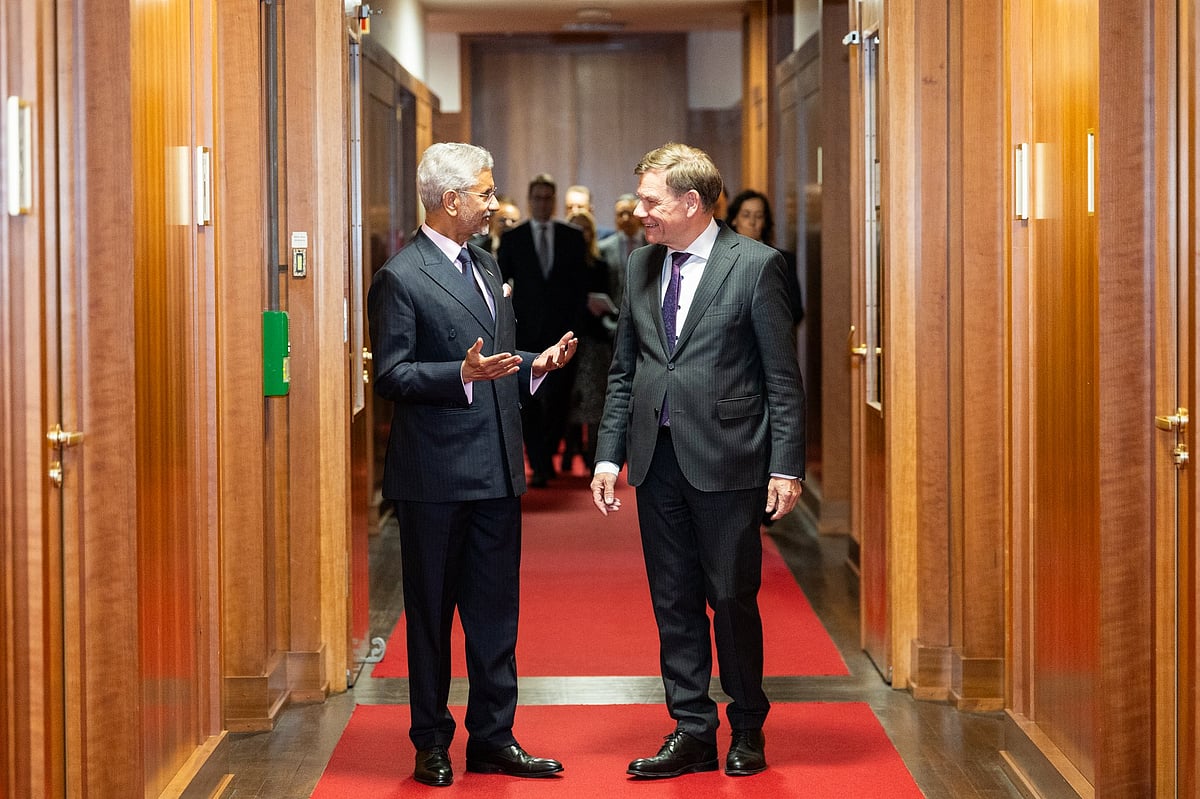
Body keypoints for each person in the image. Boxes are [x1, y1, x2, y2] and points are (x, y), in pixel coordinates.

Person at [589, 143, 806, 780]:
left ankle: (748, 725)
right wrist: (608, 457)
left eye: (650, 201)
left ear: (691, 202)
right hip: (656, 462)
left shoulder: (757, 266)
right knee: (673, 601)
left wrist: (786, 466)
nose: (639, 212)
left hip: (729, 461)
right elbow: (625, 372)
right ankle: (691, 729)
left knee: (732, 598)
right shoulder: (640, 265)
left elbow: (782, 379)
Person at [367, 142, 576, 788]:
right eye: (485, 193)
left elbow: (496, 360)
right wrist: (458, 374)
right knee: (431, 618)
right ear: (451, 199)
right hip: (433, 477)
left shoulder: (486, 264)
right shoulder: (401, 277)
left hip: (497, 471)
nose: (493, 203)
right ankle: (431, 740)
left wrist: (535, 364)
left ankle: (493, 736)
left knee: (495, 615)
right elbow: (392, 374)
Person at [498, 174, 589, 487]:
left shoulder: (571, 236)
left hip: (563, 333)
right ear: (529, 200)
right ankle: (539, 463)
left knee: (559, 400)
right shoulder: (514, 238)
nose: (542, 203)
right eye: (537, 198)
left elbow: (581, 288)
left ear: (554, 201)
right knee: (529, 400)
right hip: (527, 333)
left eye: (547, 198)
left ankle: (548, 452)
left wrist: (576, 328)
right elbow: (502, 284)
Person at [563, 209, 613, 472]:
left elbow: (608, 299)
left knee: (594, 401)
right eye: (576, 229)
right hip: (566, 338)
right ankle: (569, 450)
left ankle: (593, 454)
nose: (581, 235)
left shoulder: (599, 263)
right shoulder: (560, 264)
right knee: (569, 398)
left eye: (585, 229)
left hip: (594, 340)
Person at [725, 189, 804, 327]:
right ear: (734, 220)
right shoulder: (721, 258)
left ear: (765, 221)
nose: (752, 222)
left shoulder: (782, 260)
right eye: (746, 215)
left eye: (759, 216)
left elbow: (796, 311)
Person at [596, 192, 646, 308]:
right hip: (615, 311)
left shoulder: (654, 245)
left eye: (629, 213)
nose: (625, 218)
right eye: (620, 214)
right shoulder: (604, 248)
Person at [470, 193, 521, 257]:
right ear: (490, 220)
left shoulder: (526, 249)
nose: (508, 224)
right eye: (502, 220)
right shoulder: (475, 249)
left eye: (513, 221)